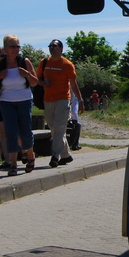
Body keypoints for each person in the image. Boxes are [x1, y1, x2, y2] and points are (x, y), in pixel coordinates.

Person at [0, 35, 38, 176]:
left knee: (25, 131)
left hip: (24, 99)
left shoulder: (24, 62)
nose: (16, 49)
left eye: (18, 46)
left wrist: (27, 74)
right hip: (6, 101)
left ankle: (30, 155)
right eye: (12, 46)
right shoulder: (0, 66)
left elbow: (35, 82)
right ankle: (13, 164)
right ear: (5, 48)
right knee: (11, 132)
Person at [37, 39, 83, 167]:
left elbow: (74, 84)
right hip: (48, 100)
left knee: (60, 127)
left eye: (55, 46)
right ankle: (66, 156)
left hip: (63, 100)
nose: (52, 48)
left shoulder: (67, 65)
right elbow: (37, 79)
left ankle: (55, 156)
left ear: (61, 49)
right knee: (53, 129)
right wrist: (43, 83)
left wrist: (80, 100)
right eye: (50, 46)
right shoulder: (44, 62)